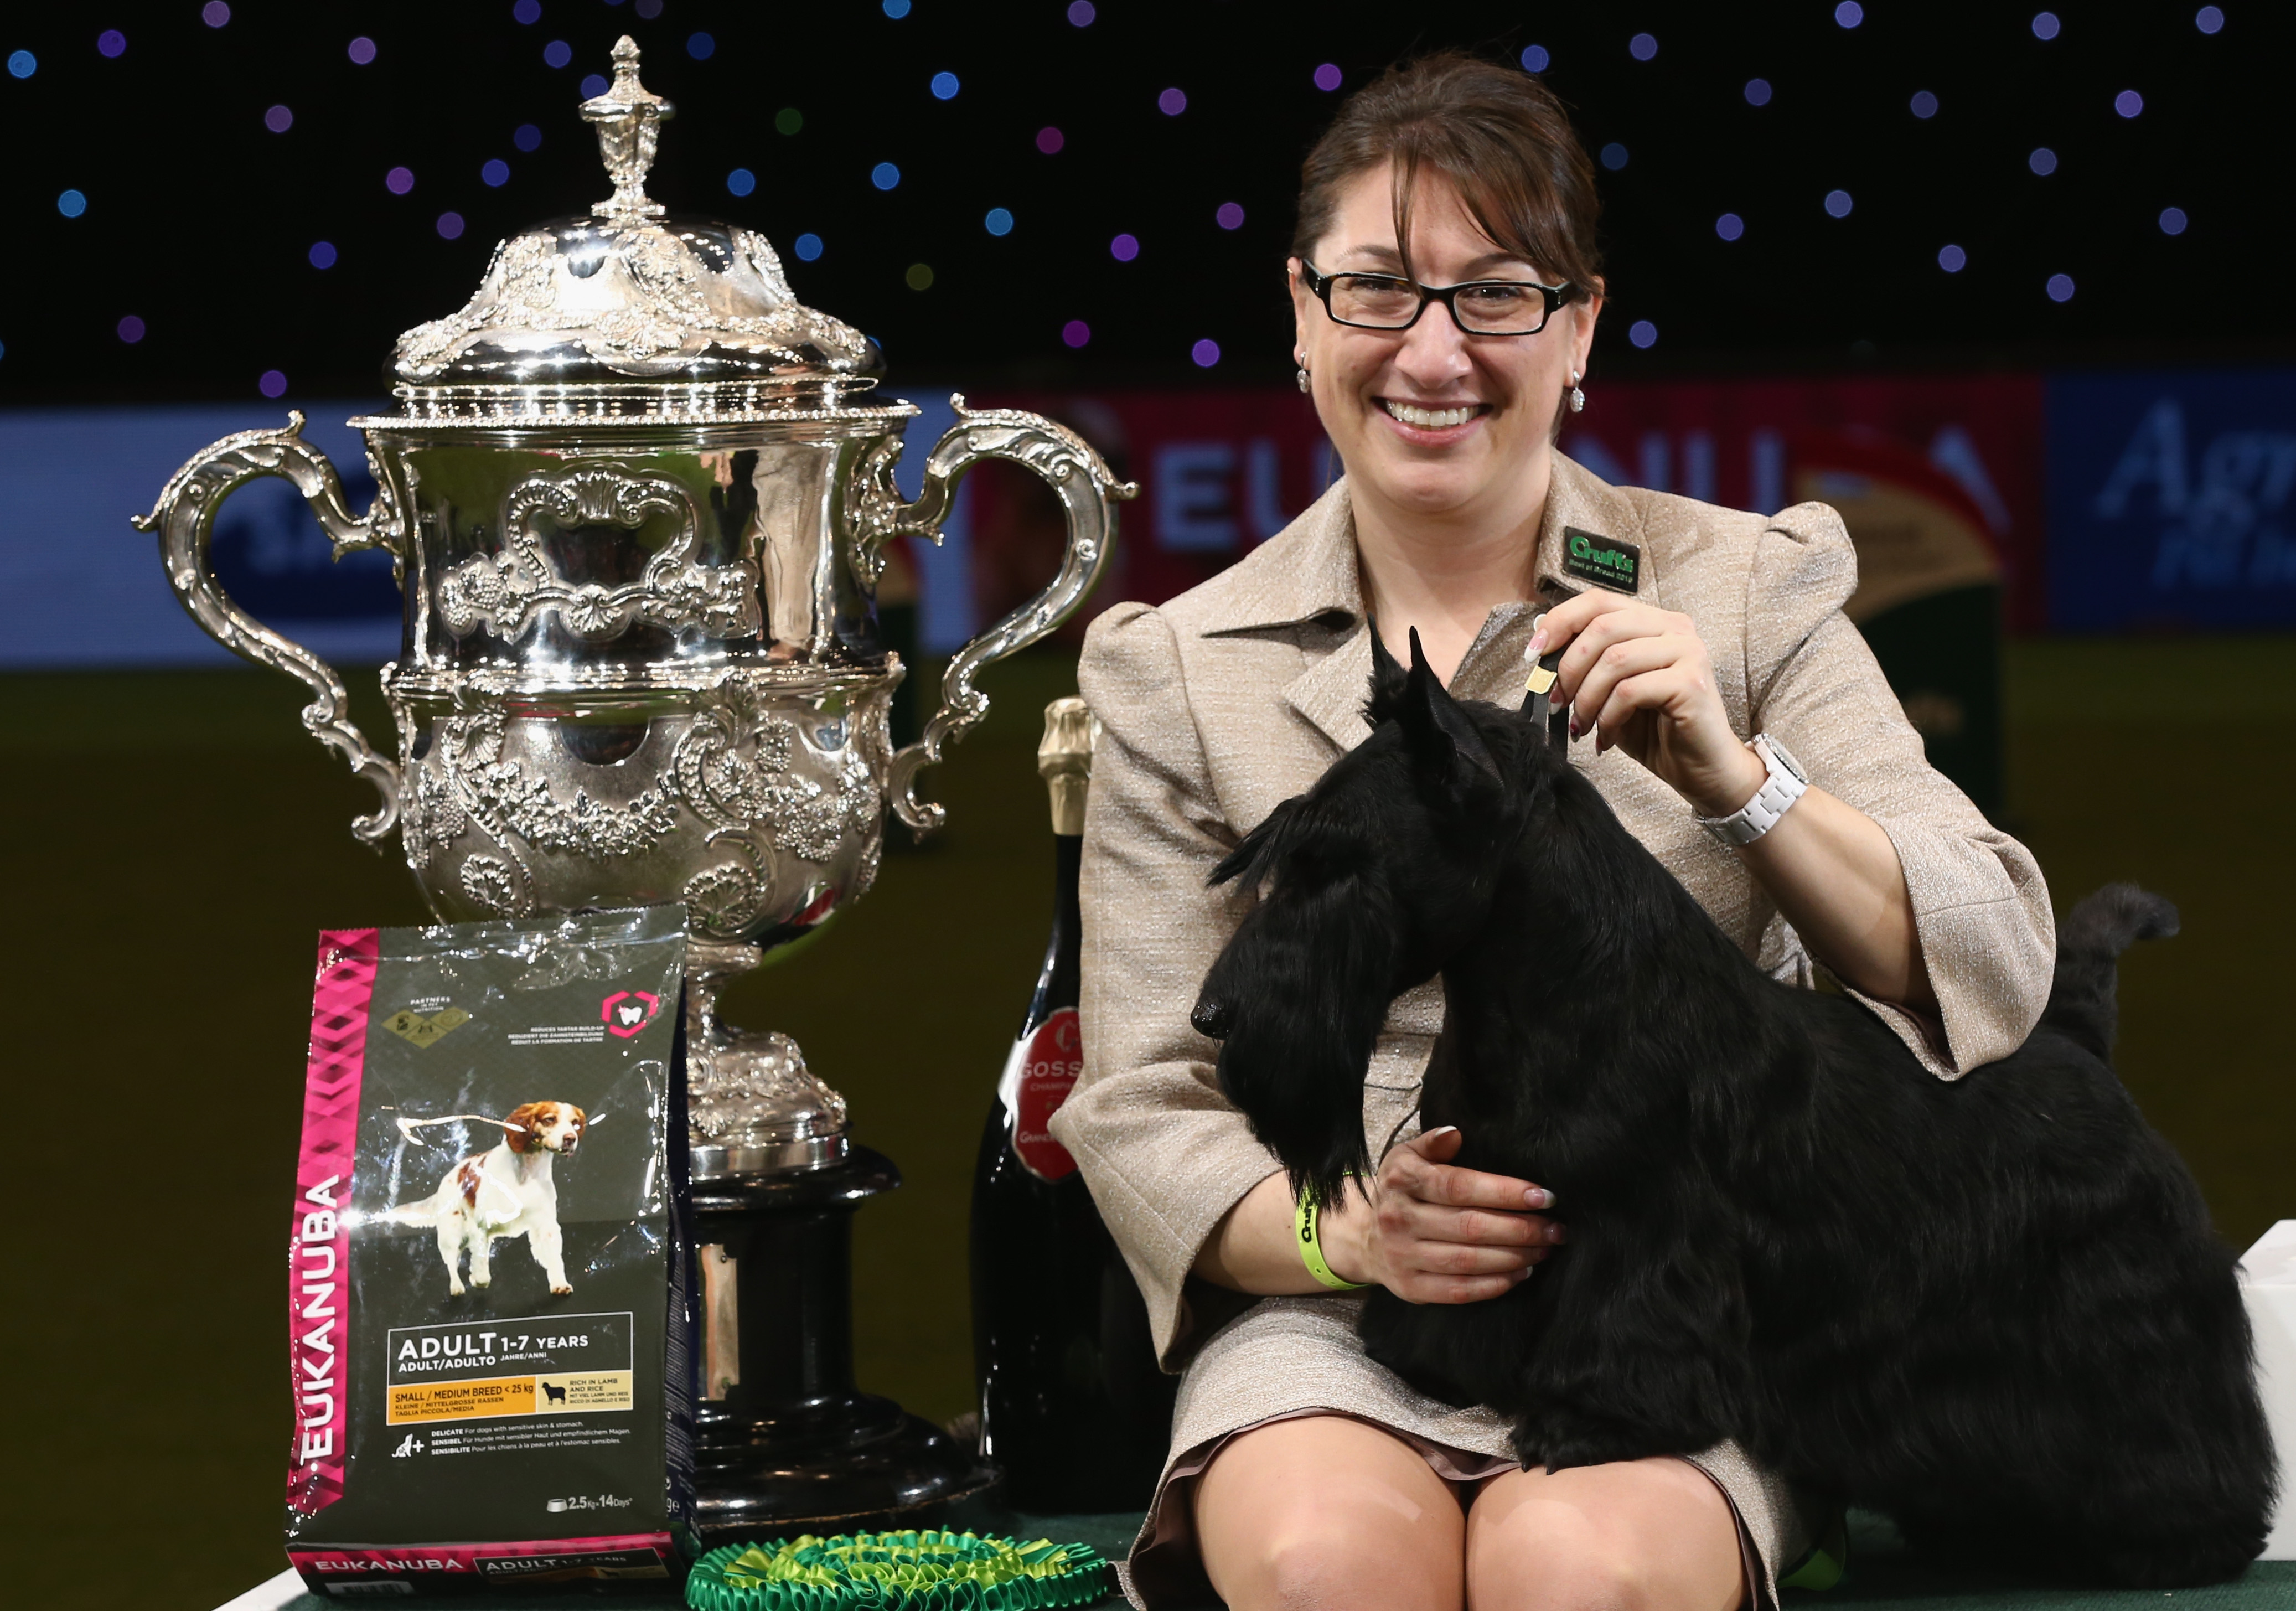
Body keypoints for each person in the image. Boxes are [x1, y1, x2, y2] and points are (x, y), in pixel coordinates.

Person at [1047, 53, 2054, 1611]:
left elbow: (1994, 951)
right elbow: (1139, 1103)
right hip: (1336, 1314)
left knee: (1578, 1571)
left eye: (1496, 295)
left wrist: (1742, 777)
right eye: (1376, 290)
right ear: (1301, 314)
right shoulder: (1177, 665)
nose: (1432, 350)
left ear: (1579, 327)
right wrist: (1345, 1233)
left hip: (1676, 1302)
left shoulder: (1743, 592)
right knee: (1323, 1565)